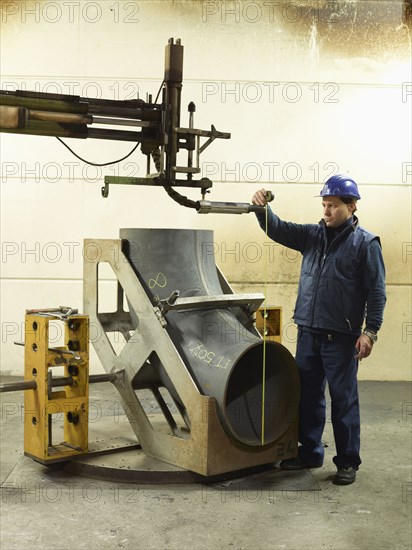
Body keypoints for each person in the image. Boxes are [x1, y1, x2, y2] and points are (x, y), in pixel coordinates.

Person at [252, 174, 386, 485]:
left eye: (333, 206)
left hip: (341, 338)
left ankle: (348, 461)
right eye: (324, 205)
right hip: (309, 333)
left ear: (351, 207)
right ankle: (309, 452)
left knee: (344, 400)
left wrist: (371, 332)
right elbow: (278, 229)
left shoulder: (366, 244)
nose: (326, 211)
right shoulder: (312, 236)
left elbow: (377, 292)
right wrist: (262, 209)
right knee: (308, 397)